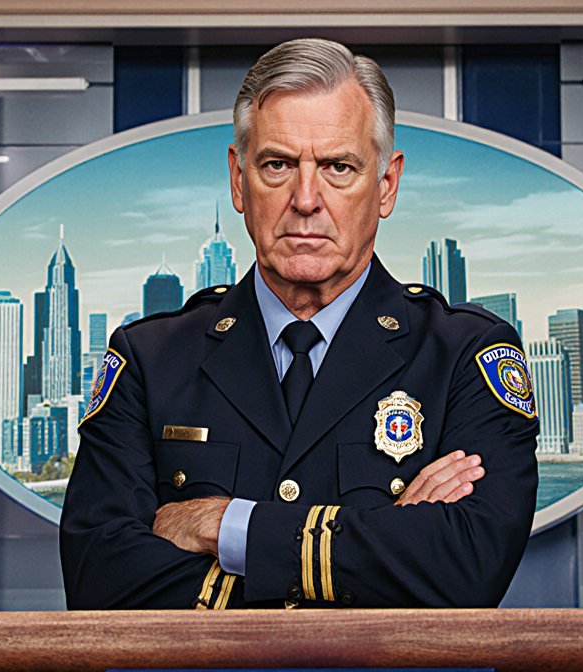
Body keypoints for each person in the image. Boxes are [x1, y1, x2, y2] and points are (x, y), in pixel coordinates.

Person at [60, 38, 539, 610]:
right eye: (277, 165)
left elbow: (467, 567)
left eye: (339, 167)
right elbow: (100, 577)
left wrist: (228, 527)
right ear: (239, 180)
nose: (305, 199)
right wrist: (382, 542)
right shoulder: (149, 360)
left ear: (386, 185)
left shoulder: (464, 354)